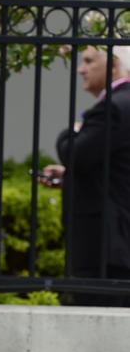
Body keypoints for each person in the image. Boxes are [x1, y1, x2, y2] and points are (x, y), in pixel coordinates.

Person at [40, 45, 130, 306]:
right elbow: (116, 167)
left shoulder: (114, 107)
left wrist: (72, 132)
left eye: (90, 61)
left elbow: (75, 152)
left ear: (113, 66)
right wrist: (69, 177)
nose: (81, 69)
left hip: (105, 247)